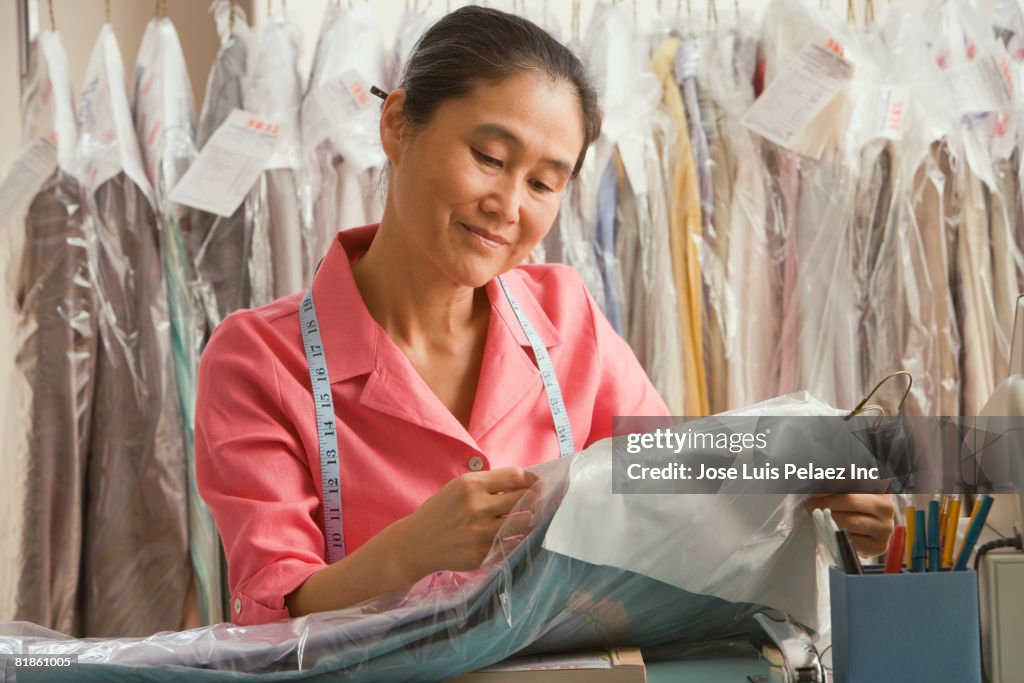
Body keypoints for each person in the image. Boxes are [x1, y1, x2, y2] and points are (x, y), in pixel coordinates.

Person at [195, 6, 895, 628]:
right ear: (396, 125)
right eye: (489, 157)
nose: (508, 205)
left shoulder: (567, 314)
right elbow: (272, 616)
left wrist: (807, 512)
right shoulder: (257, 359)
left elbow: (678, 504)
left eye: (541, 182)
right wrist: (411, 549)